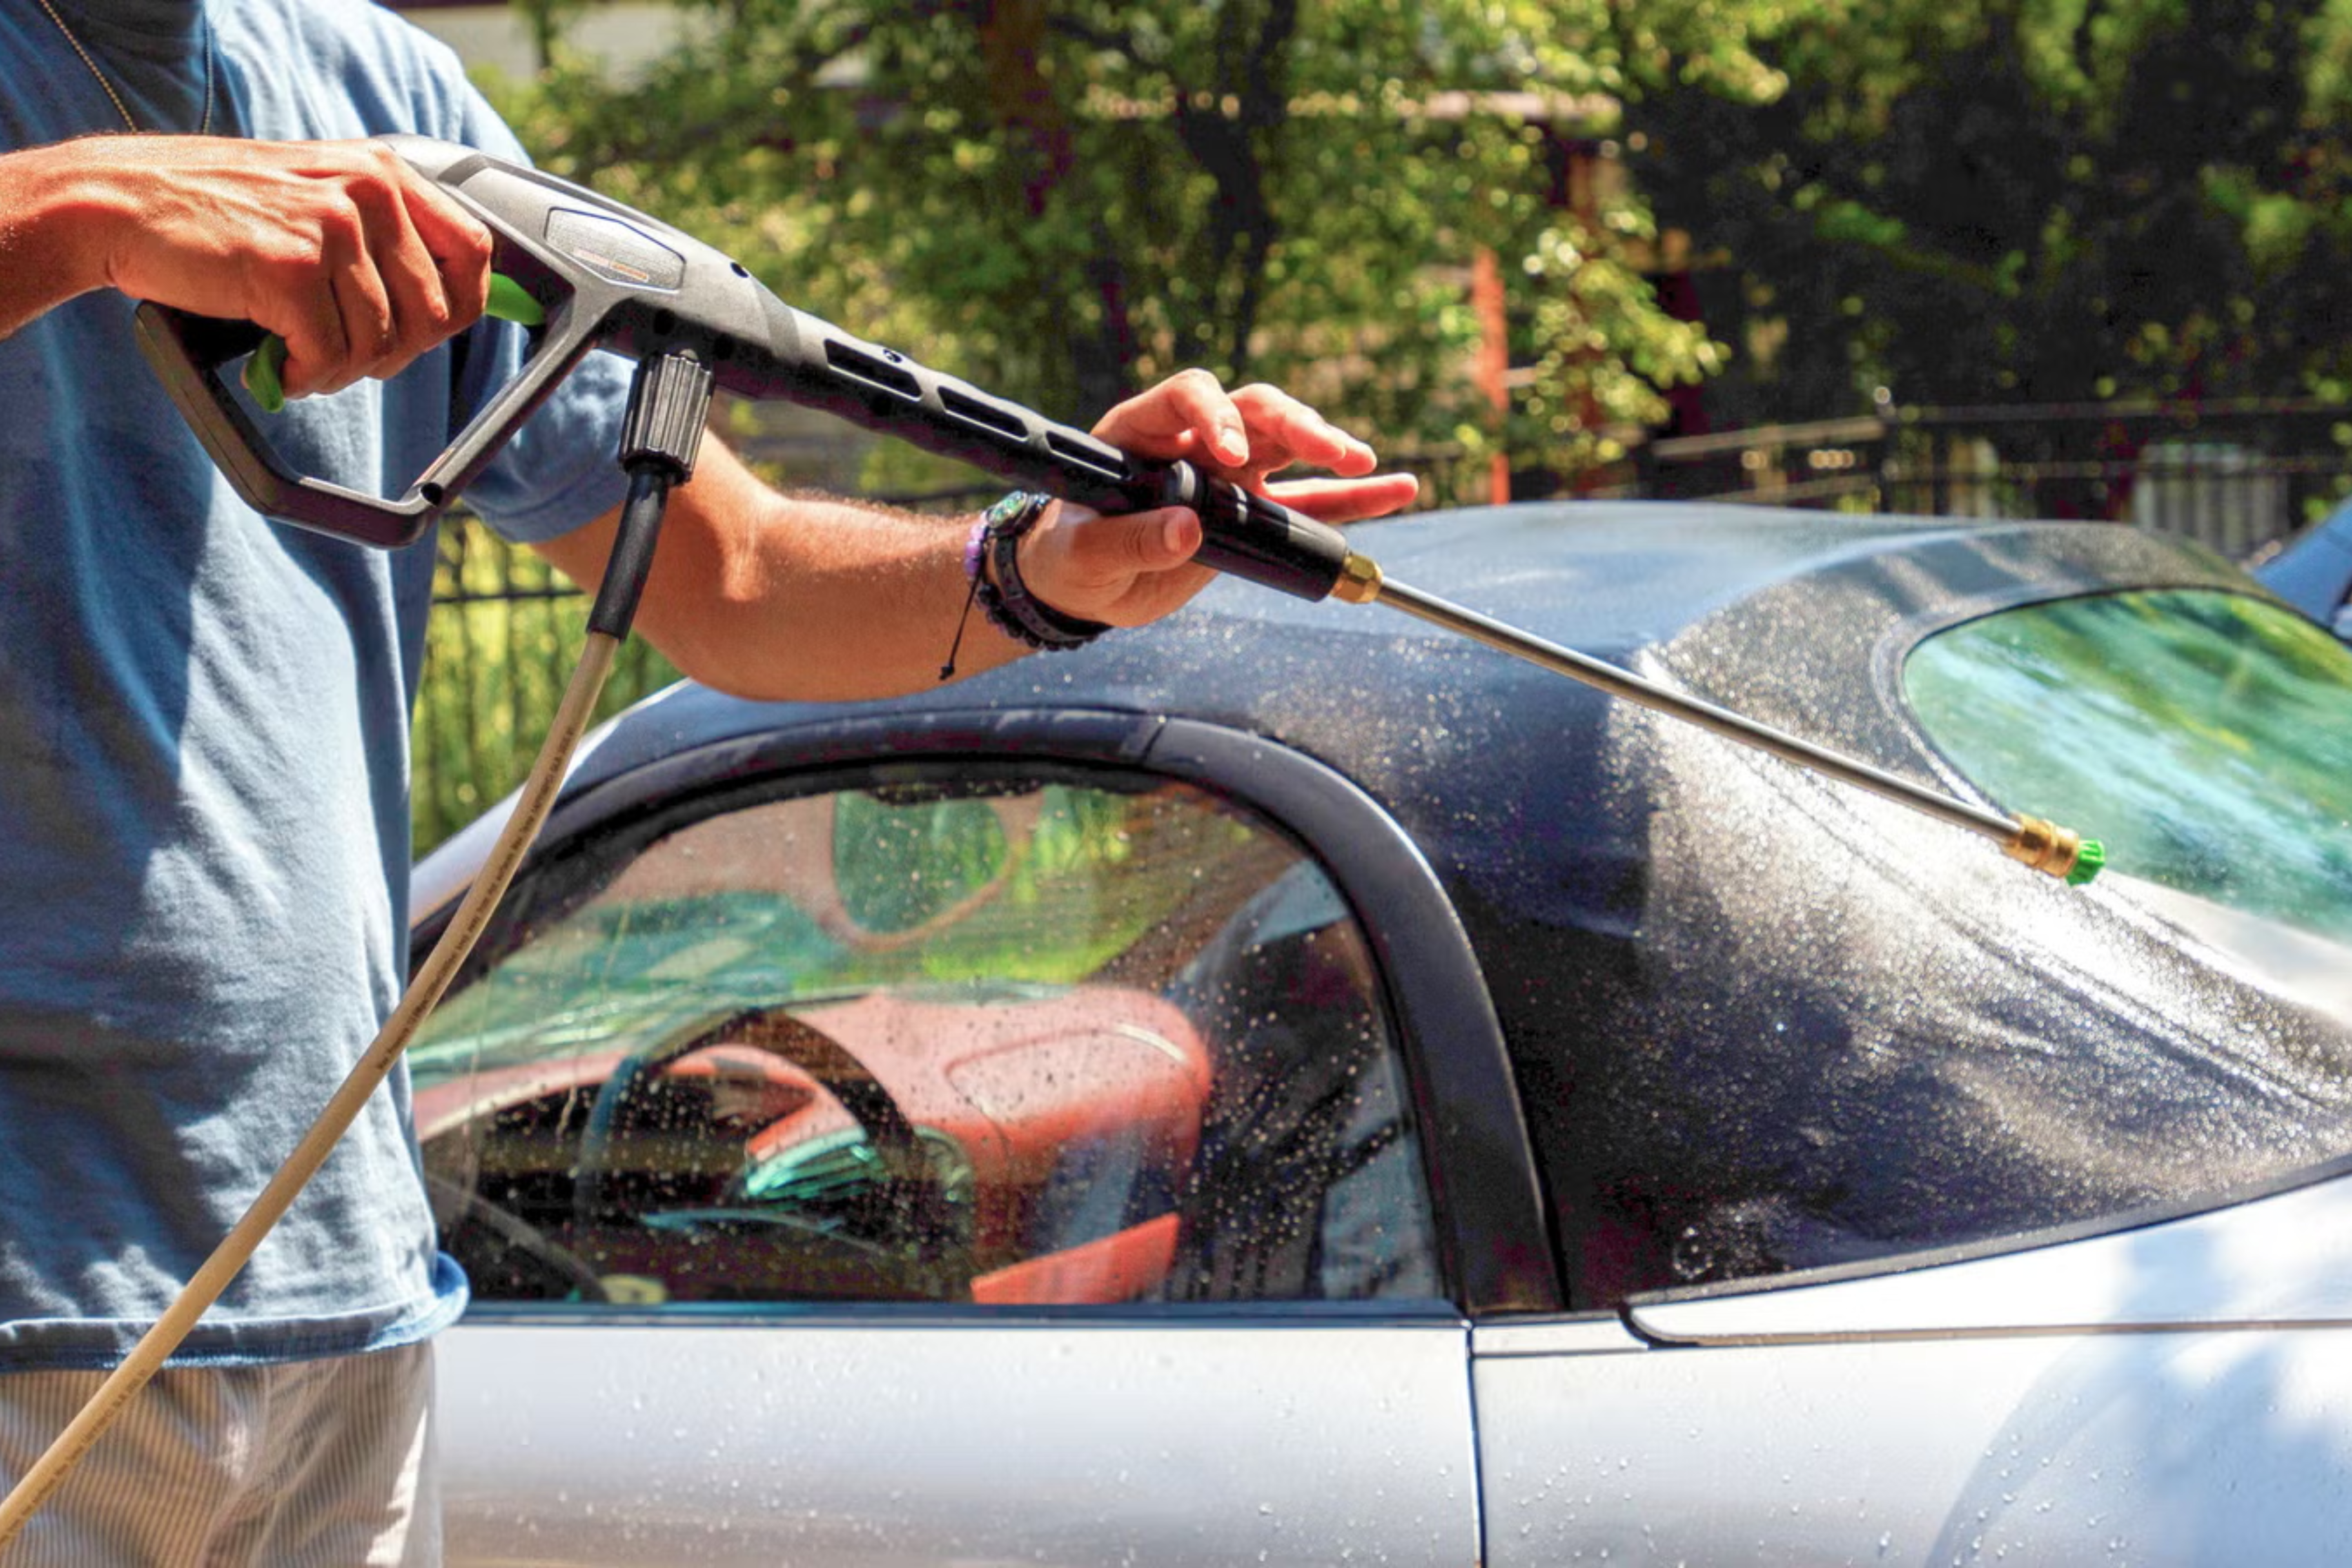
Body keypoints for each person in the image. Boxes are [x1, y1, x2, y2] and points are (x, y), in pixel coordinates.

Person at [0, 0, 1418, 1560]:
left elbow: (726, 571)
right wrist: (74, 213)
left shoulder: (377, 88)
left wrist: (1052, 564)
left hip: (339, 1292)